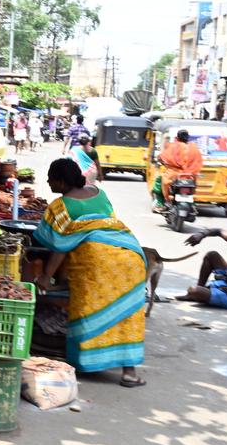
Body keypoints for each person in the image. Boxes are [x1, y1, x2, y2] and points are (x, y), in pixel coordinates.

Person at [34, 159, 147, 387]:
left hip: (97, 263)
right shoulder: (100, 193)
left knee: (89, 312)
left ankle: (85, 363)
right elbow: (105, 221)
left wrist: (46, 275)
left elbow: (60, 246)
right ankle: (129, 373)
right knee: (126, 315)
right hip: (130, 256)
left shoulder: (61, 206)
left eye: (51, 178)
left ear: (62, 181)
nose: (48, 182)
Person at [153, 129, 203, 211]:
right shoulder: (194, 147)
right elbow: (198, 161)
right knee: (192, 188)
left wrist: (161, 160)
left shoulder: (173, 146)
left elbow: (163, 157)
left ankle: (161, 204)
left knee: (159, 181)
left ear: (177, 137)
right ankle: (192, 205)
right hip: (190, 175)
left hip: (174, 174)